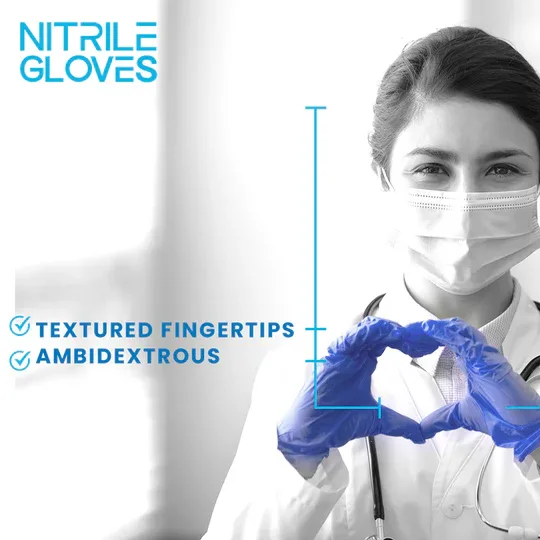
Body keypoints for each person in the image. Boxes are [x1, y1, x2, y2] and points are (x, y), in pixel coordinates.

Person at [202, 26, 540, 539]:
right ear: (384, 178)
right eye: (432, 168)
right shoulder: (299, 372)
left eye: (501, 169)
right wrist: (296, 464)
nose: (464, 205)